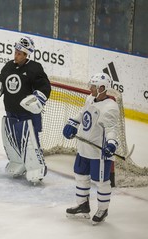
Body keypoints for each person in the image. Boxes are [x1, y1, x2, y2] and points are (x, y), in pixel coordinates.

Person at [0, 35, 51, 183]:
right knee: (14, 140)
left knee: (31, 141)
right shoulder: (8, 66)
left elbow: (44, 86)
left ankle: (38, 166)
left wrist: (39, 98)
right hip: (11, 110)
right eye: (15, 52)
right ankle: (19, 162)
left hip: (28, 113)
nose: (16, 55)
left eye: (19, 53)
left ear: (26, 54)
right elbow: (1, 81)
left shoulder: (34, 68)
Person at [63, 73, 119, 225]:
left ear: (102, 88)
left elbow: (111, 129)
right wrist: (72, 123)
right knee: (80, 175)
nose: (90, 88)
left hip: (99, 153)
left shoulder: (110, 107)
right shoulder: (90, 98)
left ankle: (103, 209)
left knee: (101, 181)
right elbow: (83, 114)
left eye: (93, 86)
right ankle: (82, 205)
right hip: (84, 148)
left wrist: (112, 144)